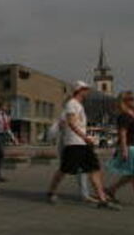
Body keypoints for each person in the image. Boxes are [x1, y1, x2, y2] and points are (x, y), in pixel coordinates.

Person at [46, 81, 120, 210]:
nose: (88, 92)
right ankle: (51, 191)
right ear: (79, 90)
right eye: (86, 89)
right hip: (73, 144)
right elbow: (72, 123)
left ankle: (102, 200)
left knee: (94, 169)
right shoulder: (71, 104)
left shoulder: (79, 105)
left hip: (83, 143)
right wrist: (85, 137)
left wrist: (86, 138)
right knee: (64, 170)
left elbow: (79, 124)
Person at [0, 101, 18, 182]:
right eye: (5, 106)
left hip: (3, 135)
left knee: (0, 155)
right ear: (1, 106)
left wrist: (13, 138)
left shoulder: (5, 116)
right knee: (1, 153)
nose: (7, 107)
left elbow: (8, 128)